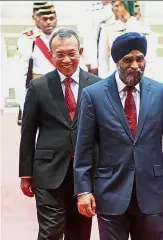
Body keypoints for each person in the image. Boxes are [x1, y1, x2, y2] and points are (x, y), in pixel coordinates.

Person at [74, 32, 163, 240]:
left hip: (151, 192)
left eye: (140, 59)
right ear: (116, 61)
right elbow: (84, 147)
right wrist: (84, 190)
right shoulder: (93, 95)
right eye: (128, 60)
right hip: (110, 191)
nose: (135, 65)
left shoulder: (160, 92)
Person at [18, 27, 101, 240]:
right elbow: (28, 132)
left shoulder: (97, 86)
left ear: (80, 52)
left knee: (80, 233)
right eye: (59, 54)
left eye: (71, 53)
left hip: (85, 174)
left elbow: (104, 133)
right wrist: (25, 173)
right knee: (50, 232)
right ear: (51, 55)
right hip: (48, 172)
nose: (66, 60)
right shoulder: (38, 87)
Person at [14, 2, 57, 124]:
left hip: (60, 89)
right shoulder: (28, 39)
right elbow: (20, 74)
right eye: (44, 18)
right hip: (39, 91)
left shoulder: (62, 35)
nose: (48, 22)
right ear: (36, 17)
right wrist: (24, 104)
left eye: (51, 18)